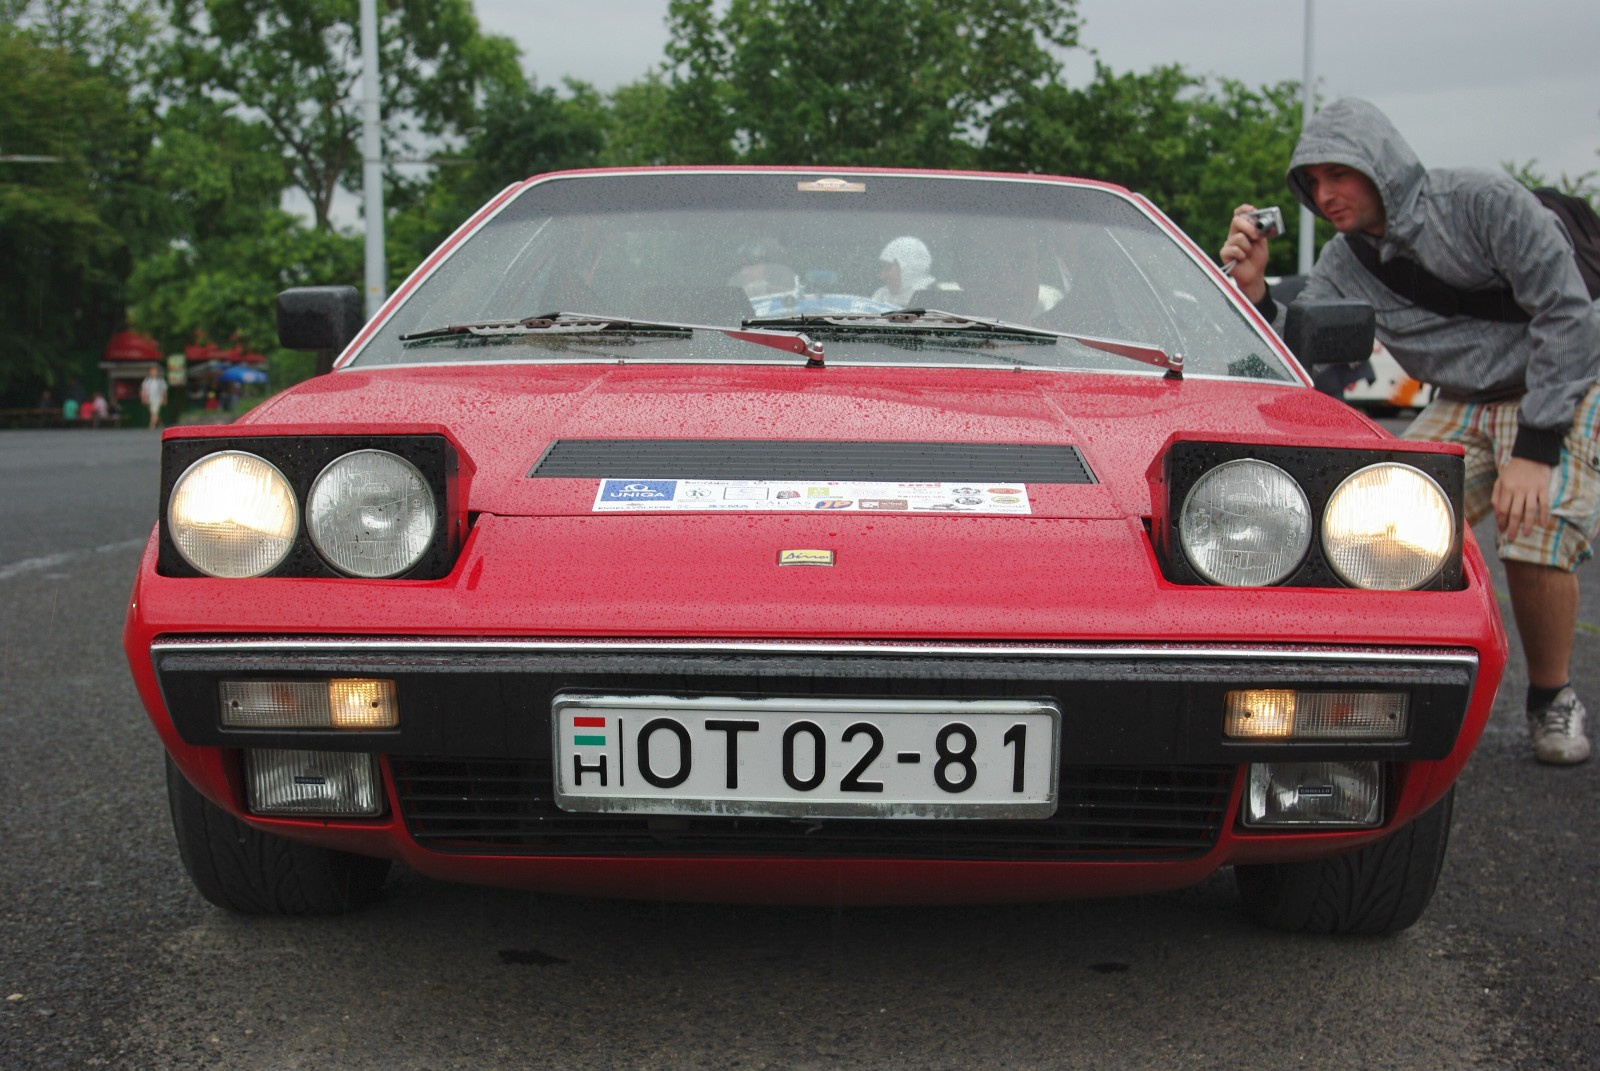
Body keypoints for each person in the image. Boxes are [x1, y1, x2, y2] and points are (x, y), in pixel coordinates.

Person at [1220, 97, 1600, 765]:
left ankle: (1552, 699)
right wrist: (1256, 294)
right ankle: (1365, 701)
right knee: (1368, 524)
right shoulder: (1345, 259)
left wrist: (1536, 451)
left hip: (1562, 377)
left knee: (1530, 528)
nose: (1326, 193)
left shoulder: (1483, 201)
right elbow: (1300, 350)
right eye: (1312, 181)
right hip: (1462, 398)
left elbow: (1568, 313)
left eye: (1341, 173)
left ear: (1383, 165)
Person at [872, 236, 936, 306]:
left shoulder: (931, 303)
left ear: (908, 269)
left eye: (888, 268)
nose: (883, 276)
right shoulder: (881, 297)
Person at [140, 364, 167, 429]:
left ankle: (151, 426)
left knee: (154, 412)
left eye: (154, 371)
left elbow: (164, 391)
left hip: (158, 399)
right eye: (152, 371)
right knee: (154, 412)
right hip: (150, 399)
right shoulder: (147, 381)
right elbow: (143, 390)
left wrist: (164, 399)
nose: (153, 373)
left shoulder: (160, 380)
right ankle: (160, 424)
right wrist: (143, 398)